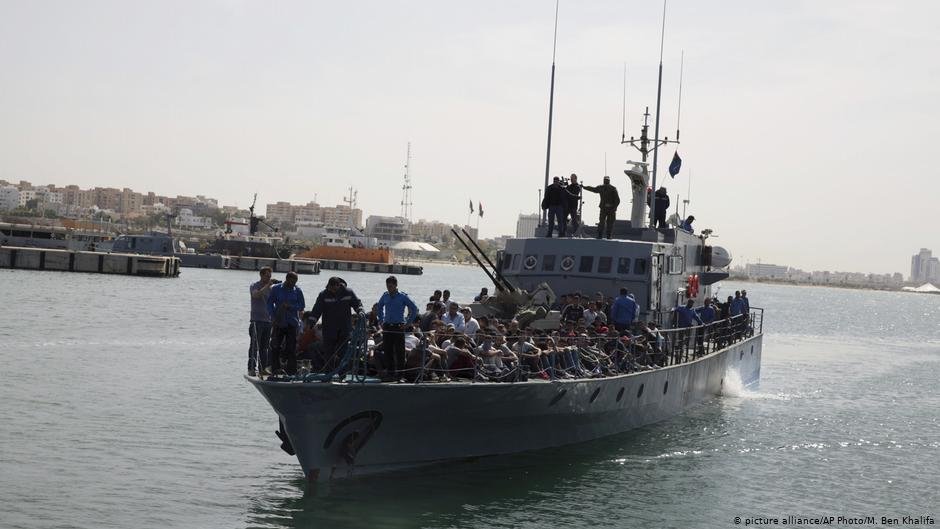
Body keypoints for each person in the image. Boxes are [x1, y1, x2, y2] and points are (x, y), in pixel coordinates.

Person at [307, 276, 363, 369]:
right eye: (330, 288)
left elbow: (357, 304)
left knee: (343, 352)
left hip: (344, 328)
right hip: (329, 329)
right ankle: (328, 374)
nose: (332, 291)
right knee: (328, 352)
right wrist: (311, 323)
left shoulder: (348, 292)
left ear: (339, 286)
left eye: (334, 289)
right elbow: (317, 310)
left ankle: (342, 374)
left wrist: (360, 311)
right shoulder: (323, 295)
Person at [376, 275, 420, 381]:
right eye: (387, 286)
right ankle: (390, 374)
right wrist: (381, 320)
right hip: (387, 326)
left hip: (398, 327)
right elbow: (379, 306)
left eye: (391, 286)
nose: (389, 288)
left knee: (400, 352)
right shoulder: (385, 295)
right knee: (388, 351)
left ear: (396, 285)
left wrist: (408, 323)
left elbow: (414, 309)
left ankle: (401, 375)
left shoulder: (403, 296)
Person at [267, 271, 306, 375]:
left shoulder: (297, 290)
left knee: (291, 348)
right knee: (276, 346)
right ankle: (275, 369)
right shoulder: (276, 289)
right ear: (287, 279)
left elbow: (302, 306)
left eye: (296, 281)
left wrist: (291, 307)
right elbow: (270, 303)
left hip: (292, 323)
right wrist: (272, 315)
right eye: (292, 281)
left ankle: (291, 371)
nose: (294, 283)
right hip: (279, 322)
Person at [248, 266, 276, 376]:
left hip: (268, 322)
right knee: (255, 346)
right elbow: (256, 295)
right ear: (261, 275)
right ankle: (251, 368)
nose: (268, 278)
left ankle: (263, 369)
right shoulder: (254, 285)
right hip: (256, 321)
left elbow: (274, 303)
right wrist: (267, 286)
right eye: (267, 276)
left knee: (265, 348)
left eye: (270, 276)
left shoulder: (272, 289)